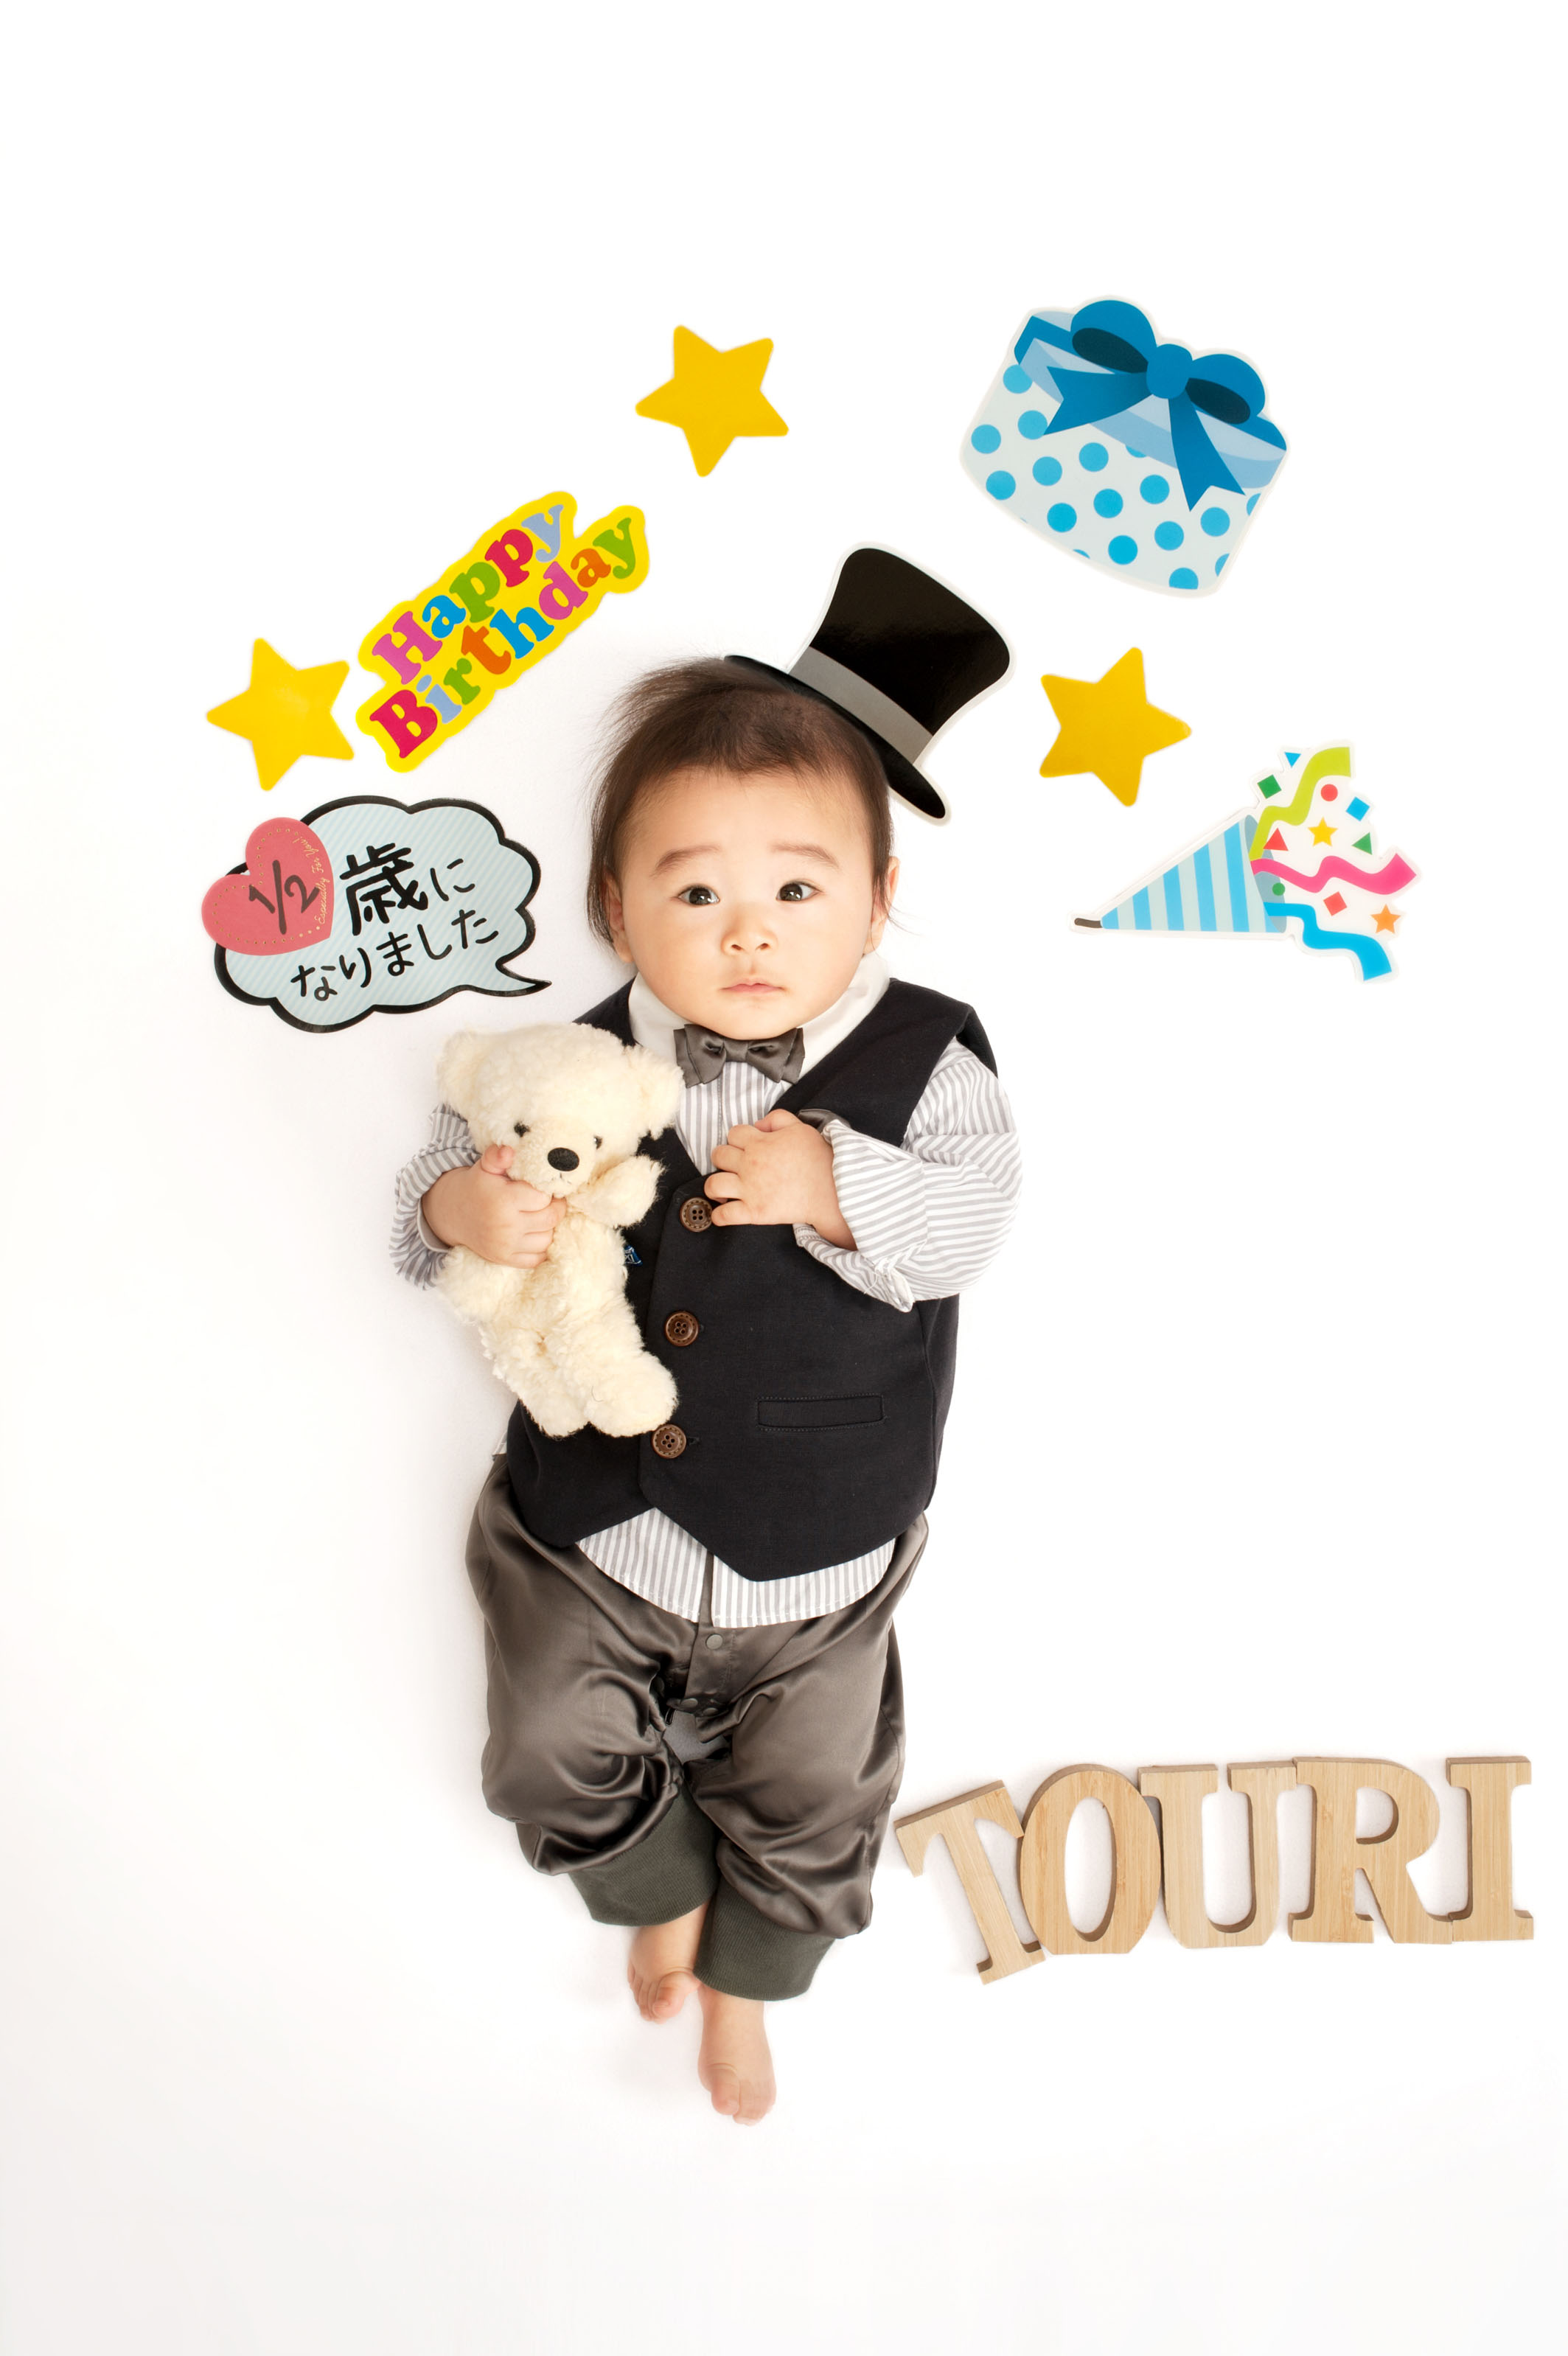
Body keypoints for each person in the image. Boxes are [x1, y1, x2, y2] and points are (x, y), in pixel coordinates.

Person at [390, 652, 1020, 2124]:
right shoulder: (568, 1060)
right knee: (543, 1746)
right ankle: (654, 1883)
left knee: (820, 1795)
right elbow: (436, 1193)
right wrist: (456, 1213)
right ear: (617, 909)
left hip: (821, 1552)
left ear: (876, 898)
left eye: (797, 888)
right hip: (592, 1537)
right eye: (694, 892)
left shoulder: (926, 1061)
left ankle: (753, 1985)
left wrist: (839, 1188)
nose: (749, 930)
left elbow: (973, 1226)